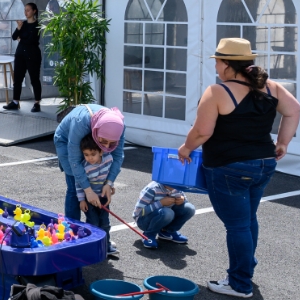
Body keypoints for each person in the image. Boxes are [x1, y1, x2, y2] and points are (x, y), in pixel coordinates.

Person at [178, 37, 300, 298]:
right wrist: (282, 142)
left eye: (217, 61)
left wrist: (186, 148)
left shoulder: (218, 91)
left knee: (237, 226)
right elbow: (294, 110)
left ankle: (239, 283)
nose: (216, 66)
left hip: (228, 167)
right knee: (247, 220)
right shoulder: (271, 88)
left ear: (225, 64)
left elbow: (201, 131)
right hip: (264, 163)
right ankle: (246, 269)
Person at [54, 103, 125, 255]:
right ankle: (71, 237)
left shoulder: (119, 126)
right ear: (97, 131)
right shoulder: (80, 123)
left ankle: (101, 241)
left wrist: (109, 183)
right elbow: (74, 160)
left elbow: (117, 156)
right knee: (74, 187)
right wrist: (87, 191)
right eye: (103, 141)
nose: (106, 147)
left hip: (89, 139)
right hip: (67, 142)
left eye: (111, 143)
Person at [77, 135, 116, 256]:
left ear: (101, 151)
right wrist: (82, 200)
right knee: (93, 222)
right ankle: (92, 244)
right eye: (86, 154)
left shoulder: (109, 159)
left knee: (105, 223)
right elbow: (79, 183)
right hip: (89, 200)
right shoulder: (84, 166)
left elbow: (109, 174)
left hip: (103, 198)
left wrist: (110, 186)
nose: (89, 158)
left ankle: (106, 244)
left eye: (93, 154)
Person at [131, 181, 195, 250]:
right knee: (167, 212)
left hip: (165, 217)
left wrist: (183, 200)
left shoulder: (177, 186)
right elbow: (139, 212)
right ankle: (149, 234)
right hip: (144, 221)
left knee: (189, 209)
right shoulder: (152, 189)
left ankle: (167, 232)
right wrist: (160, 203)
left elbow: (184, 203)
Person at [5, 2, 42, 112]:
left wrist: (21, 39)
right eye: (25, 10)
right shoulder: (23, 24)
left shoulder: (37, 25)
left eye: (28, 10)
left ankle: (37, 103)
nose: (26, 12)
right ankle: (15, 101)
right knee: (17, 79)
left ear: (34, 11)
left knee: (34, 79)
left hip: (33, 55)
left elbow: (32, 40)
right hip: (20, 54)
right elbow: (14, 37)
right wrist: (19, 28)